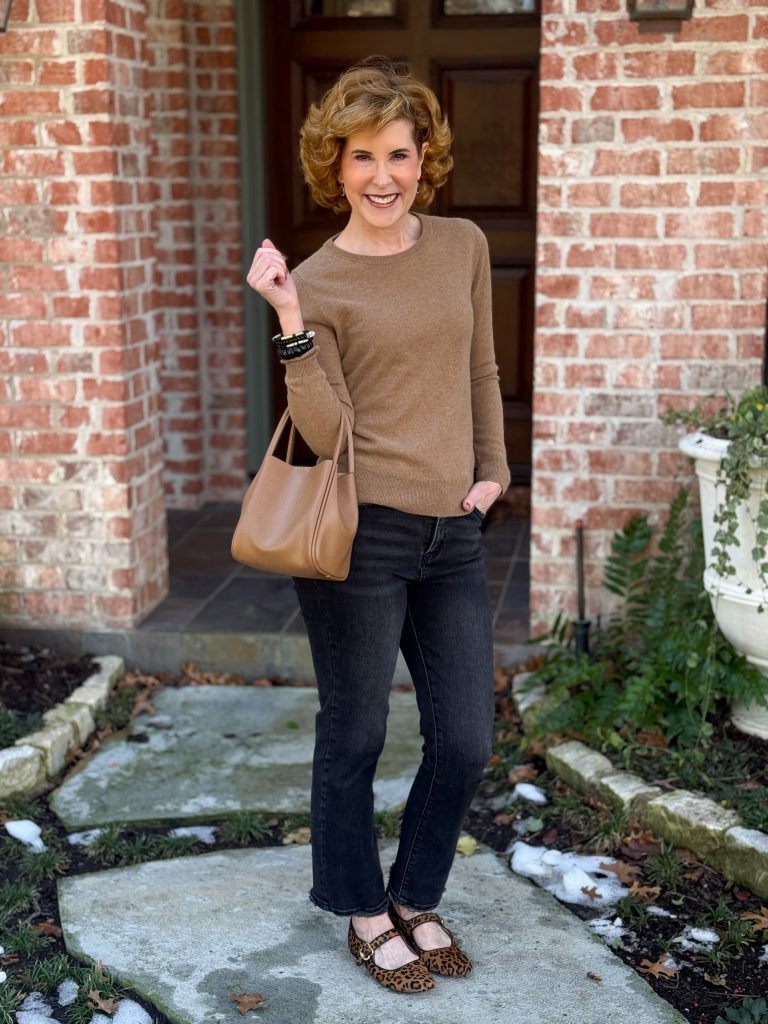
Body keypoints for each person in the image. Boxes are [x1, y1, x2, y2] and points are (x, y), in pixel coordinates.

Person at [246, 56, 510, 994]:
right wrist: (288, 317)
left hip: (453, 531)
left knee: (468, 737)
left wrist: (492, 473)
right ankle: (363, 907)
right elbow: (324, 433)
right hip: (362, 535)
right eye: (362, 157)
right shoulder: (317, 279)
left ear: (424, 155)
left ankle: (416, 892)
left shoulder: (464, 245)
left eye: (399, 153)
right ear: (336, 164)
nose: (384, 175)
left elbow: (479, 367)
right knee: (354, 734)